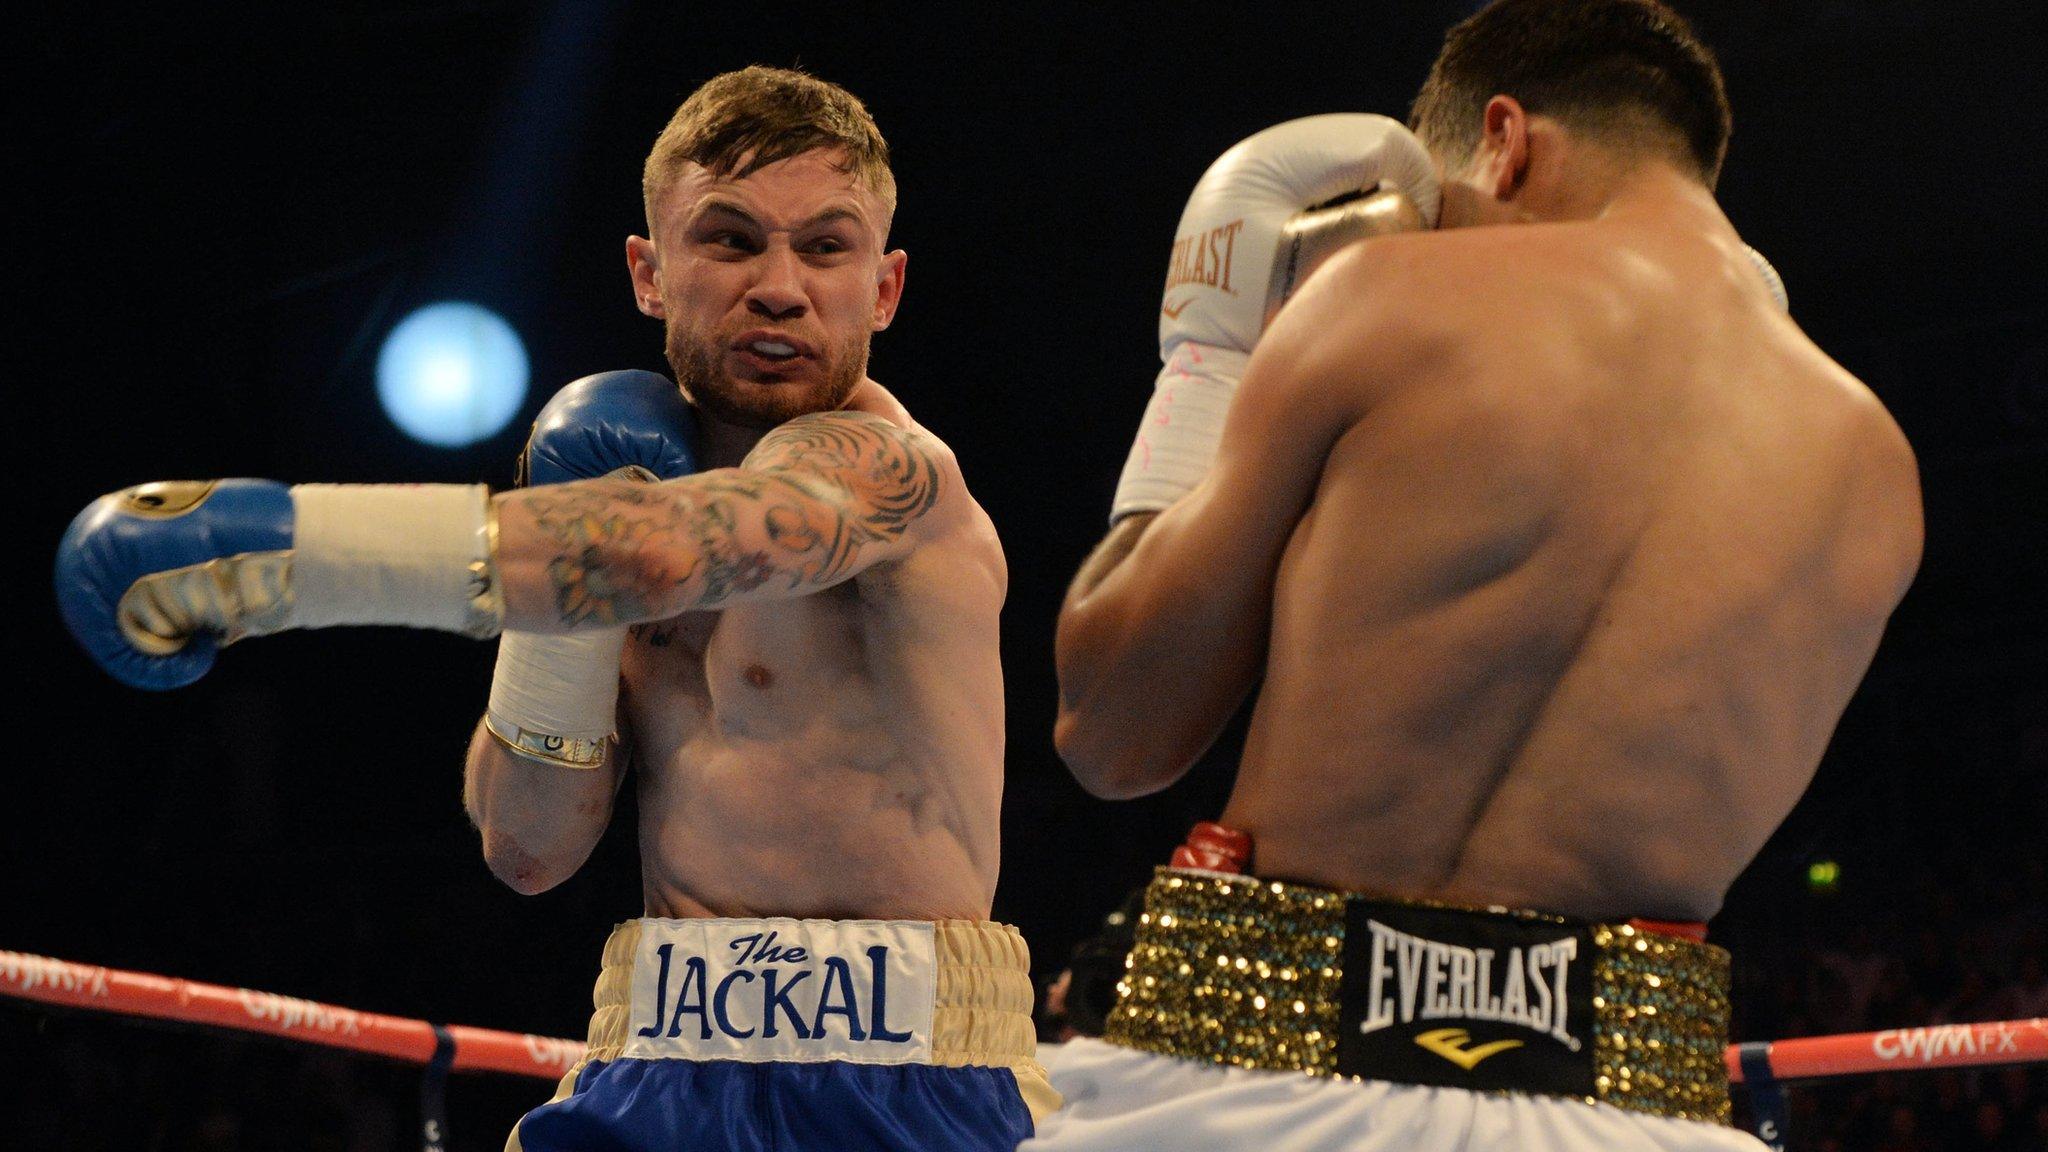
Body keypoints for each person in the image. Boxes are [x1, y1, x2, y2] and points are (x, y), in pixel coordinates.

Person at [54, 65, 1054, 1152]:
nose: (780, 286)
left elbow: (674, 556)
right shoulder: (610, 507)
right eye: (728, 240)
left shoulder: (890, 476)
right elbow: (528, 851)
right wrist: (565, 619)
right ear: (648, 273)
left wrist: (289, 555)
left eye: (825, 247)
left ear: (884, 287)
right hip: (655, 1056)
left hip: (894, 1082)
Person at [1038, 1, 1921, 1149]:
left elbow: (1112, 729)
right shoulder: (1873, 468)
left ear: (1502, 141)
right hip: (1629, 1114)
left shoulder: (1384, 298)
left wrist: (1205, 366)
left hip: (1251, 1083)